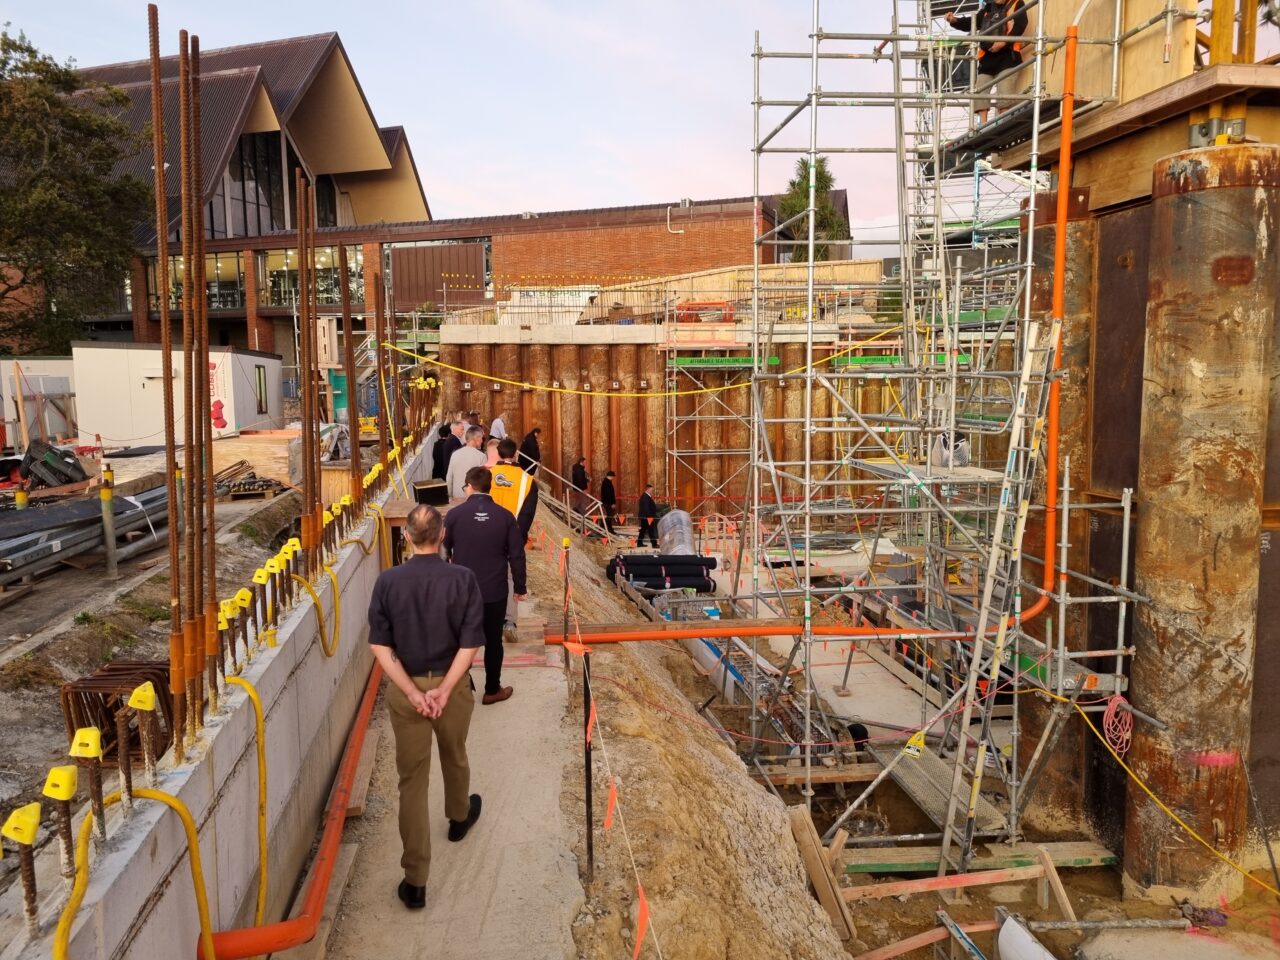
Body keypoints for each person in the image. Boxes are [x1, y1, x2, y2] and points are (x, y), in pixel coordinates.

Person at [367, 504, 484, 911]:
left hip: (406, 689)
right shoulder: (463, 579)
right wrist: (446, 690)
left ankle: (415, 880)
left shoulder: (388, 582)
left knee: (411, 781)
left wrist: (415, 694)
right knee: (455, 754)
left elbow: (380, 645)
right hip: (451, 685)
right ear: (443, 534)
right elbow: (470, 643)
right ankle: (457, 817)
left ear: (407, 537)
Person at [444, 467, 527, 704]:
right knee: (493, 641)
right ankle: (492, 690)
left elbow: (442, 551)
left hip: (463, 592)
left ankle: (461, 685)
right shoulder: (504, 516)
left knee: (462, 640)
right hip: (494, 591)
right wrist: (520, 587)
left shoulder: (454, 515)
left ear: (469, 486)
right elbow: (516, 555)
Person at [945, 0, 1027, 124]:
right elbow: (971, 23)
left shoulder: (1017, 3)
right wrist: (954, 21)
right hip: (987, 58)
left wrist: (1004, 42)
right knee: (980, 92)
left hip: (1008, 57)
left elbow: (1020, 25)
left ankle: (1004, 123)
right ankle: (982, 126)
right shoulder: (988, 8)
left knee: (1004, 94)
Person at [491, 437, 539, 644]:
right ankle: (509, 622)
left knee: (485, 573)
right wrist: (518, 541)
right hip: (511, 535)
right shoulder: (528, 481)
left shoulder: (487, 475)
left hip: (486, 533)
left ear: (498, 454)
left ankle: (484, 619)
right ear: (516, 455)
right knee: (509, 578)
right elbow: (527, 515)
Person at [446, 425, 486, 500]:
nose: (482, 441)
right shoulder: (481, 456)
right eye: (481, 438)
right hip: (474, 498)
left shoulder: (455, 454)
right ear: (476, 438)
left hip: (457, 496)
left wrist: (450, 495)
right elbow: (483, 481)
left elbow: (449, 477)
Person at [637, 483, 659, 548]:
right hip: (647, 517)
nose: (652, 491)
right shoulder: (645, 497)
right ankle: (654, 544)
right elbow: (646, 508)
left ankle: (639, 543)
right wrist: (650, 516)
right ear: (648, 489)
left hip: (645, 516)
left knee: (643, 530)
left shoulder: (645, 496)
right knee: (650, 530)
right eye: (652, 490)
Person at [600, 470, 618, 535]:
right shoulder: (607, 483)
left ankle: (608, 528)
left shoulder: (606, 482)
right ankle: (604, 527)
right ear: (610, 476)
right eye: (613, 476)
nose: (613, 478)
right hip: (608, 503)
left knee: (609, 516)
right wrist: (612, 503)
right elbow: (609, 494)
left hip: (606, 502)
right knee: (610, 516)